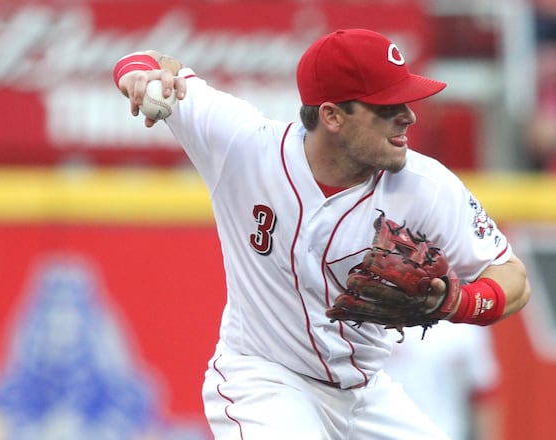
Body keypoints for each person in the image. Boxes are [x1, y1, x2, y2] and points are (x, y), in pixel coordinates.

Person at [113, 28, 531, 439]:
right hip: (263, 380)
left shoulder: (427, 186)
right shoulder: (243, 144)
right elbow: (144, 62)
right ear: (331, 116)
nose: (408, 115)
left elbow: (512, 278)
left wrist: (457, 300)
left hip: (365, 393)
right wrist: (140, 75)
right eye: (386, 107)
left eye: (405, 101)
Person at [383, 322, 504, 440]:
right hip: (383, 433)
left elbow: (483, 394)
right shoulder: (377, 322)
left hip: (446, 433)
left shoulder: (466, 327)